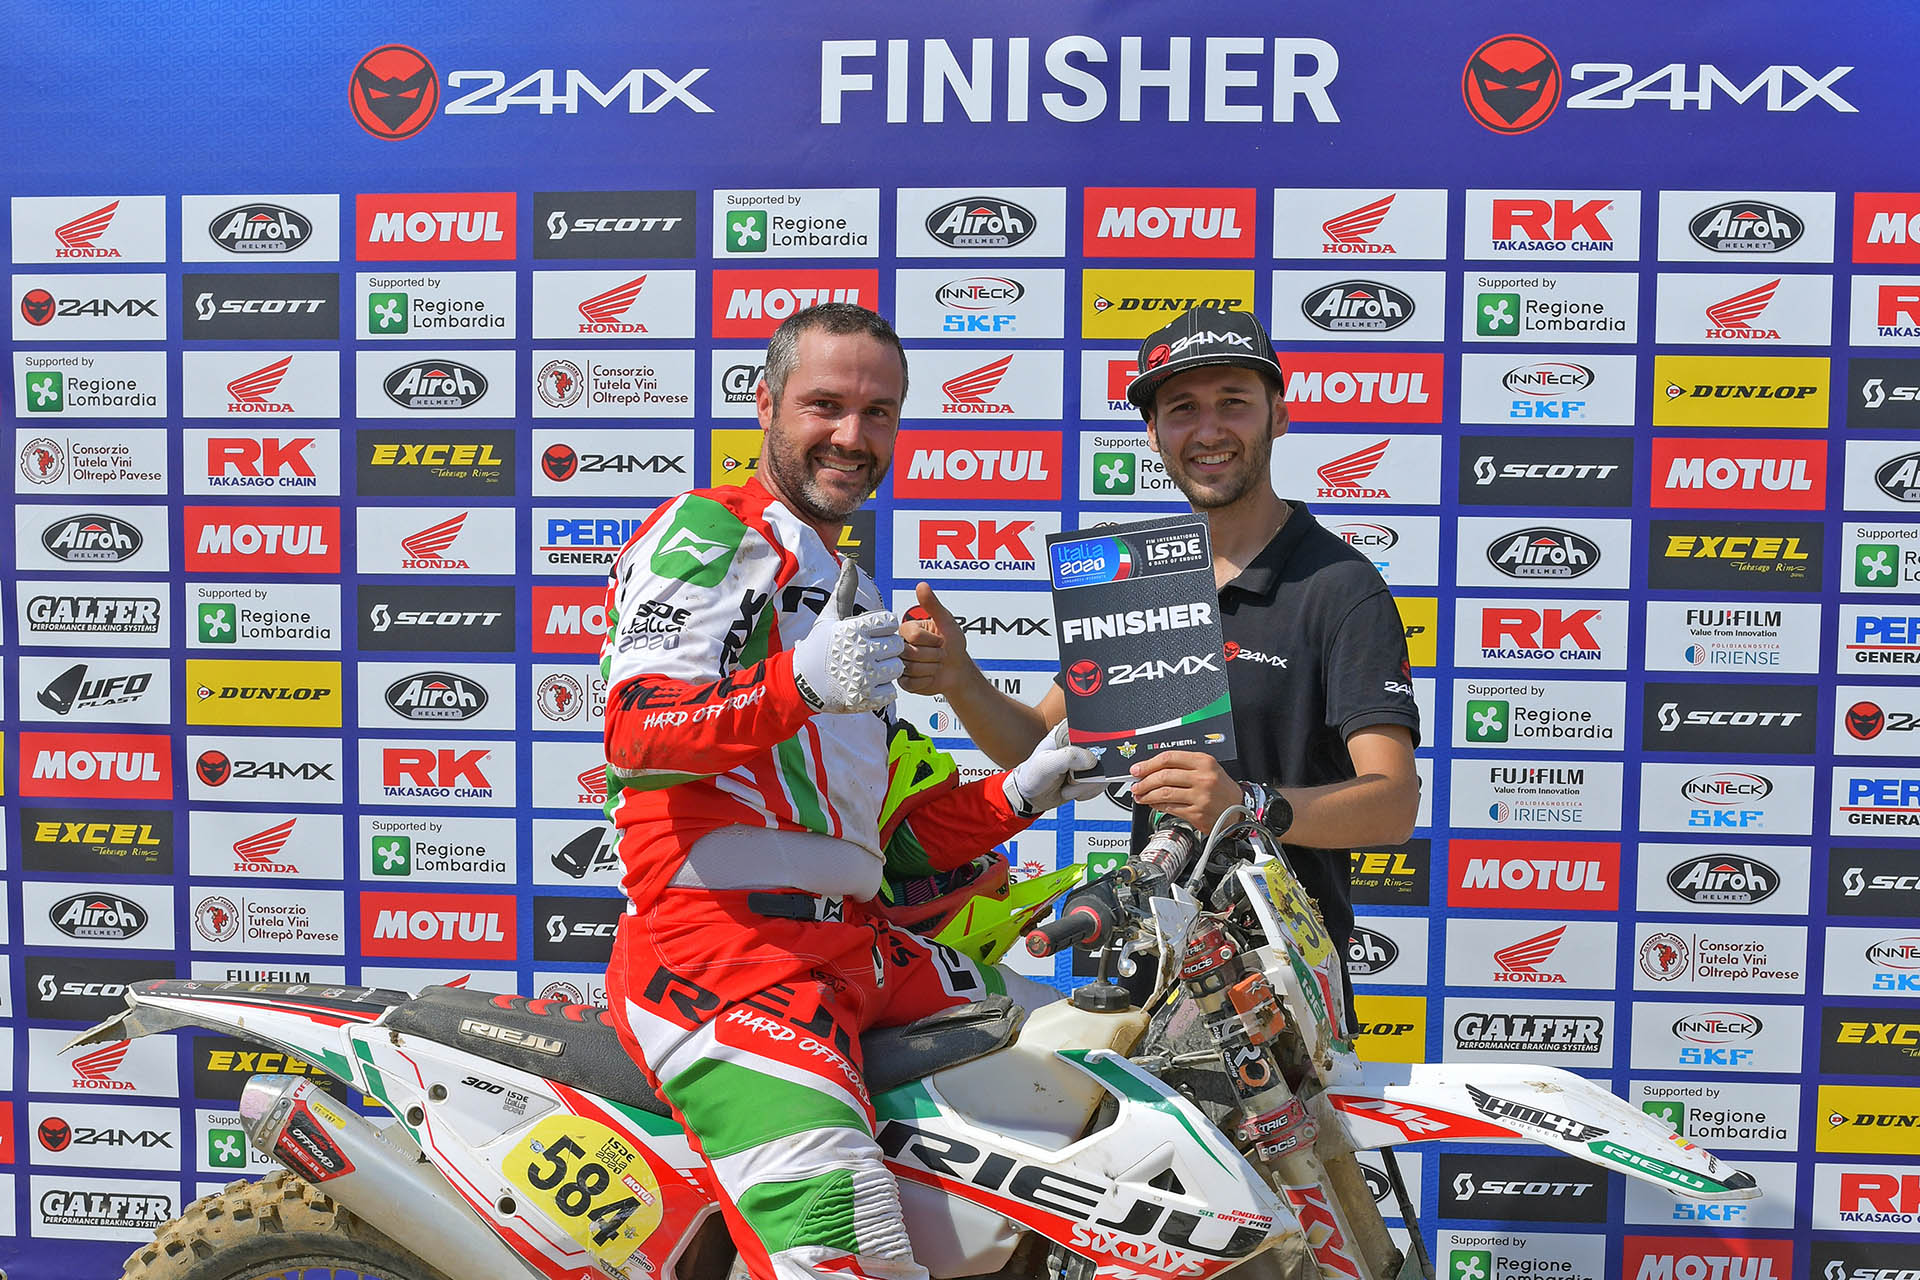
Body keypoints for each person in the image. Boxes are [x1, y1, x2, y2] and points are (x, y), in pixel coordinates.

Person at [598, 302, 1100, 1280]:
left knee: (1090, 1057)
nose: (851, 435)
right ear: (765, 406)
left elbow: (886, 847)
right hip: (723, 957)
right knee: (849, 1254)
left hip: (858, 948)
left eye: (879, 412)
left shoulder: (853, 589)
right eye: (824, 404)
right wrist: (799, 681)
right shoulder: (712, 529)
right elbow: (636, 733)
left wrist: (1029, 786)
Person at [901, 305, 1421, 1005]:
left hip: (1287, 994)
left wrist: (1247, 805)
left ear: (1279, 415)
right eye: (1182, 409)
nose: (1208, 430)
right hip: (1151, 976)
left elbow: (1393, 804)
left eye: (1233, 403)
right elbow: (1035, 746)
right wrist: (960, 678)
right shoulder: (1147, 574)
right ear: (1154, 433)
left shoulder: (1338, 585)